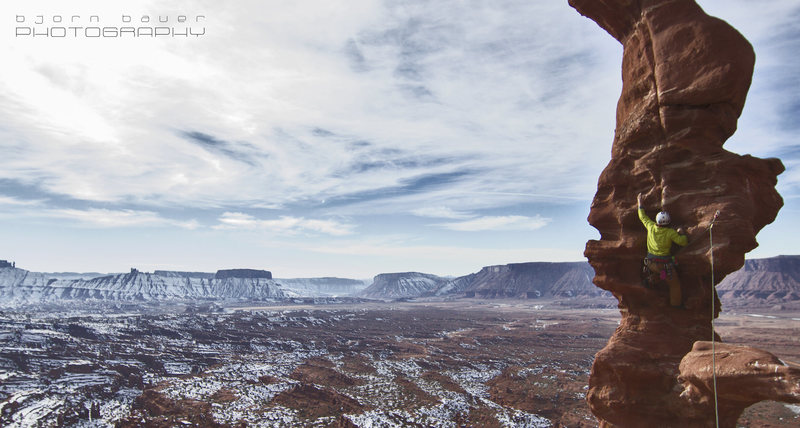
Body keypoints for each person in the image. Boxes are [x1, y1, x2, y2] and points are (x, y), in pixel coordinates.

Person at [638, 193, 688, 307]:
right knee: (674, 285)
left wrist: (640, 203)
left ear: (657, 221)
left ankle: (651, 279)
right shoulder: (670, 233)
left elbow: (642, 217)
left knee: (661, 274)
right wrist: (682, 233)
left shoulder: (650, 227)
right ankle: (676, 306)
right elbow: (683, 242)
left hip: (650, 264)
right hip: (665, 265)